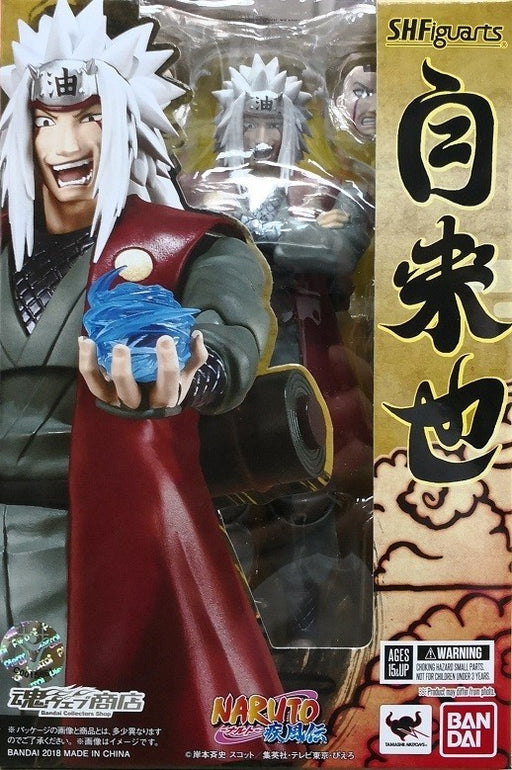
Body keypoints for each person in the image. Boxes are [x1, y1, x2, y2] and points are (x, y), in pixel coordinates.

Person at [0, 0, 282, 763]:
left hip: (102, 548)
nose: (65, 143)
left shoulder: (190, 248)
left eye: (89, 117)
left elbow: (227, 328)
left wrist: (197, 373)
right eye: (45, 120)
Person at [180, 54, 373, 648]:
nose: (262, 137)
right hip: (220, 378)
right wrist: (279, 234)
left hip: (308, 370)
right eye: (252, 124)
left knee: (309, 507)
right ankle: (228, 648)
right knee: (223, 509)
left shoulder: (325, 190)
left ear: (292, 128)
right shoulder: (196, 192)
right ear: (230, 128)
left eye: (273, 124)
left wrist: (252, 233)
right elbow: (185, 253)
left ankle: (309, 646)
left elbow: (337, 250)